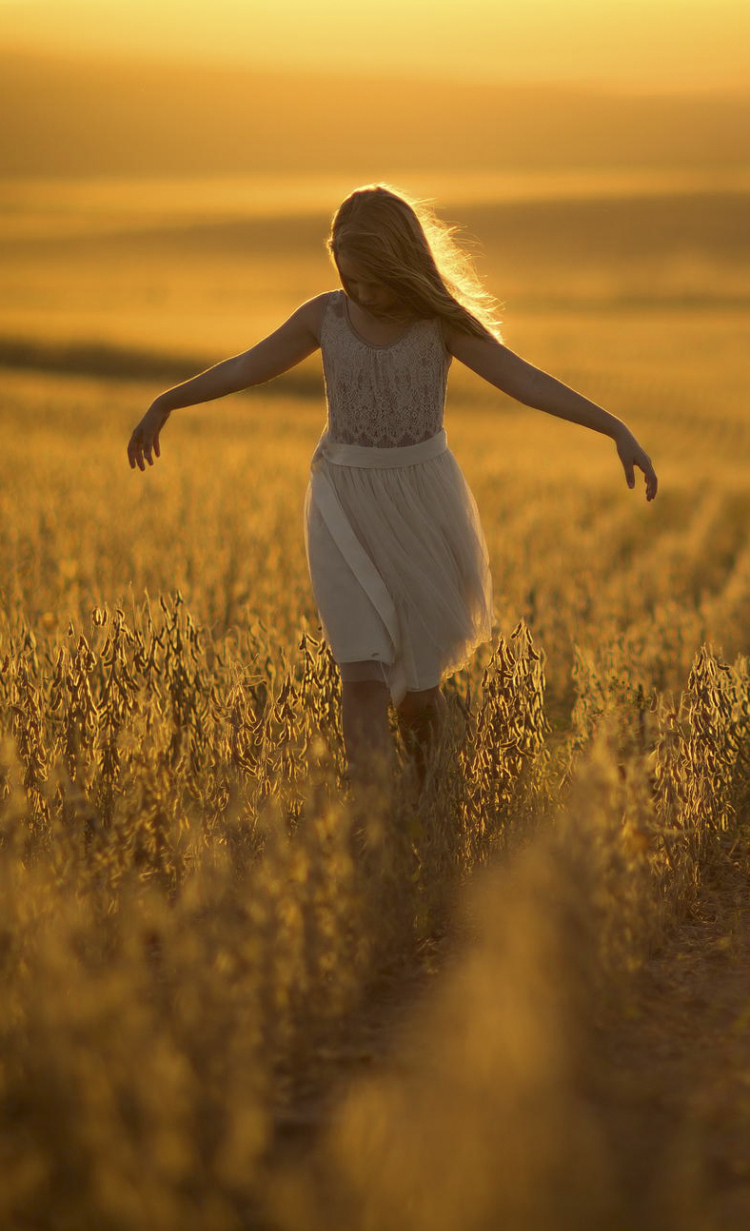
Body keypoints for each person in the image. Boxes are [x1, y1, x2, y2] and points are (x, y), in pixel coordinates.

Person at [127, 182, 657, 785]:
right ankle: (375, 821)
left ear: (401, 264)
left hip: (423, 506)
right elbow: (246, 365)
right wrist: (167, 401)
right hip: (341, 503)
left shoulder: (439, 324)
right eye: (350, 279)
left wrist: (614, 427)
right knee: (360, 678)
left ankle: (427, 798)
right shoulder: (324, 317)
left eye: (373, 280)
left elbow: (527, 382)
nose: (362, 293)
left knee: (418, 694)